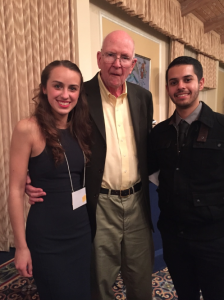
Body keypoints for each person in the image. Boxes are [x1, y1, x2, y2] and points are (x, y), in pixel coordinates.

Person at [25, 30, 154, 300]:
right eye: (110, 55)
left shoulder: (144, 97)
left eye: (124, 57)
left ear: (133, 64)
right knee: (99, 281)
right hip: (99, 202)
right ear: (99, 58)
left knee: (141, 278)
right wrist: (33, 172)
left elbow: (146, 145)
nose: (117, 63)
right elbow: (52, 131)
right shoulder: (79, 94)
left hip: (137, 200)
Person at [8, 60, 92, 300]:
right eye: (58, 86)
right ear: (44, 88)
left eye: (72, 88)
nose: (65, 95)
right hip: (47, 235)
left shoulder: (80, 128)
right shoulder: (28, 129)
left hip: (80, 231)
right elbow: (14, 191)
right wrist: (21, 247)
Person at [148, 56, 224, 300]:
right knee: (185, 294)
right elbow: (149, 170)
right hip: (174, 237)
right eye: (173, 82)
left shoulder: (222, 126)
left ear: (200, 82)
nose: (180, 86)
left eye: (187, 79)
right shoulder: (159, 132)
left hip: (214, 239)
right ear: (168, 88)